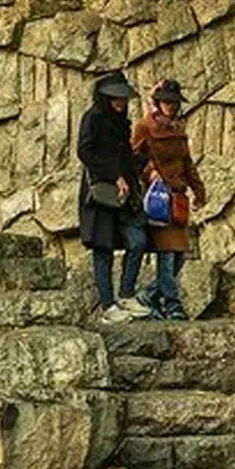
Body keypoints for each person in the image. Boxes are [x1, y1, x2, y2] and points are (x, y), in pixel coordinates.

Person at [77, 71, 152, 324]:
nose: (121, 102)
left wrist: (142, 164)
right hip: (102, 194)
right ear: (105, 97)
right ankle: (108, 306)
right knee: (103, 249)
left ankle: (126, 294)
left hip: (126, 194)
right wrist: (113, 175)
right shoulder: (93, 118)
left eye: (123, 98)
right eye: (116, 98)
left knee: (138, 241)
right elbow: (84, 152)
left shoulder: (121, 122)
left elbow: (124, 155)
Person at [132, 79, 206, 320]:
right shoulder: (145, 126)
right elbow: (132, 157)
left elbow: (187, 163)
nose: (170, 106)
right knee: (167, 253)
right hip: (159, 198)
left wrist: (199, 190)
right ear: (158, 102)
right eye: (166, 102)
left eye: (174, 102)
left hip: (178, 198)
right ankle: (173, 305)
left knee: (180, 255)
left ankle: (147, 296)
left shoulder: (178, 129)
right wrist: (149, 172)